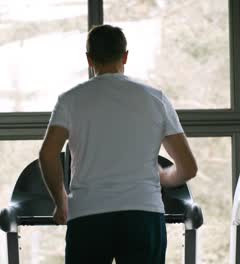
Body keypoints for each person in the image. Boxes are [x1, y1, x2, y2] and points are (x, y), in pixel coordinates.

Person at [39, 24, 197, 264]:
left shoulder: (70, 100)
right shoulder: (155, 99)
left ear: (89, 59)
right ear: (125, 56)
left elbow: (47, 155)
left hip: (88, 215)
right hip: (143, 214)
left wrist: (61, 203)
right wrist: (164, 177)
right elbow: (188, 168)